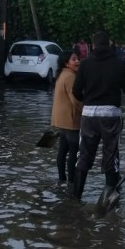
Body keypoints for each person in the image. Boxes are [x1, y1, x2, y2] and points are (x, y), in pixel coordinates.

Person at [71, 31, 125, 201]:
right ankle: (110, 200)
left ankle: (75, 199)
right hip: (111, 116)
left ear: (92, 46)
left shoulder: (85, 65)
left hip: (89, 115)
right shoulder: (119, 64)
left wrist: (89, 101)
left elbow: (76, 91)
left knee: (83, 156)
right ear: (110, 45)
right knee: (111, 156)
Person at [51, 50, 83, 185]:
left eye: (77, 59)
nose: (77, 62)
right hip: (70, 120)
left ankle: (61, 178)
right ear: (66, 62)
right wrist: (86, 110)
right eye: (74, 59)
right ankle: (71, 181)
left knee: (63, 151)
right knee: (74, 151)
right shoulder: (70, 76)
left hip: (60, 120)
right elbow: (75, 100)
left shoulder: (61, 74)